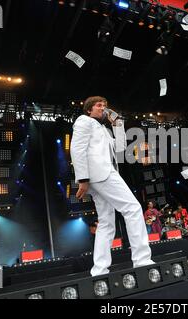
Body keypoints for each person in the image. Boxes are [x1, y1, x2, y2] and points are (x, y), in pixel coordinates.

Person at [70, 96, 154, 276]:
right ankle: (142, 260)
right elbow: (76, 148)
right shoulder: (84, 121)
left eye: (105, 105)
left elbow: (120, 148)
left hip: (103, 175)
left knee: (106, 223)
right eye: (99, 105)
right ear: (89, 110)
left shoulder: (105, 129)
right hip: (100, 174)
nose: (103, 108)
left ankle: (99, 270)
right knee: (132, 208)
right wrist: (82, 179)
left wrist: (118, 125)